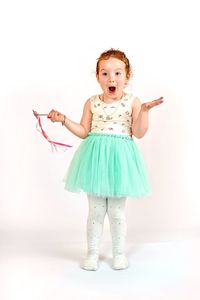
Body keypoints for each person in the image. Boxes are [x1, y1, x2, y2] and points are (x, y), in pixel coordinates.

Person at [47, 48, 163, 271]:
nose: (112, 78)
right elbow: (83, 131)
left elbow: (138, 132)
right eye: (105, 73)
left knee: (117, 212)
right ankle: (92, 254)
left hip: (121, 161)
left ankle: (119, 254)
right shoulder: (92, 102)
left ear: (127, 77)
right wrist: (63, 120)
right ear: (98, 77)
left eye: (118, 73)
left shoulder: (133, 102)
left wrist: (145, 111)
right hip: (96, 160)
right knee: (96, 211)